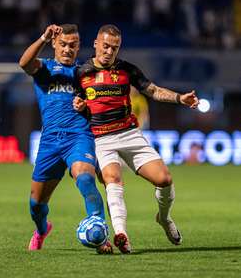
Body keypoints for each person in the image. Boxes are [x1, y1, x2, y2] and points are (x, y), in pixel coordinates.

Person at [73, 24, 199, 254]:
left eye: (115, 47)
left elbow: (153, 90)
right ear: (95, 44)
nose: (109, 51)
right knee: (113, 179)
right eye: (106, 46)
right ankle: (122, 234)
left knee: (164, 179)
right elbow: (75, 104)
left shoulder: (127, 70)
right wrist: (78, 106)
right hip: (101, 138)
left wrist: (181, 98)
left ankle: (163, 218)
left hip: (130, 134)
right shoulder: (81, 73)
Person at [19, 24, 112, 254]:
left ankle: (100, 235)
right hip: (50, 142)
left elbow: (99, 107)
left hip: (78, 137)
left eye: (72, 45)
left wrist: (86, 106)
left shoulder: (85, 74)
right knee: (36, 204)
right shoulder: (45, 69)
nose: (68, 49)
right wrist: (42, 37)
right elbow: (23, 63)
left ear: (79, 46)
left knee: (85, 180)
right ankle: (41, 230)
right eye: (63, 44)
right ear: (54, 44)